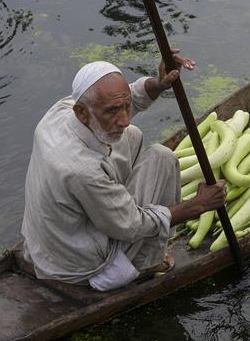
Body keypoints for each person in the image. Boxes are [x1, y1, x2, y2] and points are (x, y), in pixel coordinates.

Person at [20, 52, 227, 291]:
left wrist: (157, 85)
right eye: (113, 111)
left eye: (125, 107)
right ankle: (146, 262)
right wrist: (198, 205)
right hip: (80, 264)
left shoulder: (60, 113)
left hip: (47, 245)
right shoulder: (81, 169)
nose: (124, 119)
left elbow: (121, 97)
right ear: (81, 113)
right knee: (158, 156)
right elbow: (131, 225)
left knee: (138, 140)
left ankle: (121, 215)